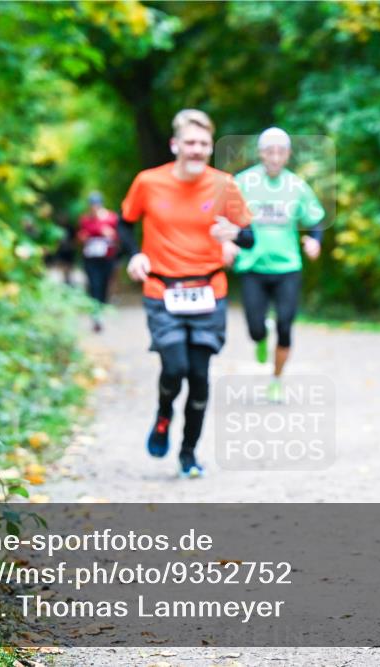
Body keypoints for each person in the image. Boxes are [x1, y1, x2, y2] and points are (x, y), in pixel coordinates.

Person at [118, 109, 253, 478]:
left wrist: (233, 241)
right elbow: (125, 224)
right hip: (162, 288)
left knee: (199, 376)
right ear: (175, 144)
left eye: (204, 144)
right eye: (190, 143)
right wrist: (136, 254)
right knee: (174, 368)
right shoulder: (148, 182)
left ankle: (188, 454)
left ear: (211, 147)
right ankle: (164, 414)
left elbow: (248, 235)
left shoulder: (225, 185)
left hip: (209, 288)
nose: (196, 150)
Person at [223, 128, 325, 401]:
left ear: (288, 154)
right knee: (256, 327)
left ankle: (277, 380)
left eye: (281, 151)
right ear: (261, 152)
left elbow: (315, 218)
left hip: (287, 267)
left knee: (285, 325)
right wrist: (228, 243)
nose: (275, 157)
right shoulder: (243, 182)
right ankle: (260, 338)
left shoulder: (296, 186)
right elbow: (225, 217)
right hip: (252, 266)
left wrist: (315, 241)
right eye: (270, 151)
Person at [77, 191, 119, 332]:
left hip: (107, 258)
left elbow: (119, 236)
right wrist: (84, 237)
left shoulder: (111, 218)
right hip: (91, 259)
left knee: (104, 285)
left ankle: (101, 307)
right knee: (94, 285)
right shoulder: (85, 220)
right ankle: (96, 315)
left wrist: (110, 234)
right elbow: (81, 235)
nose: (94, 207)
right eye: (92, 205)